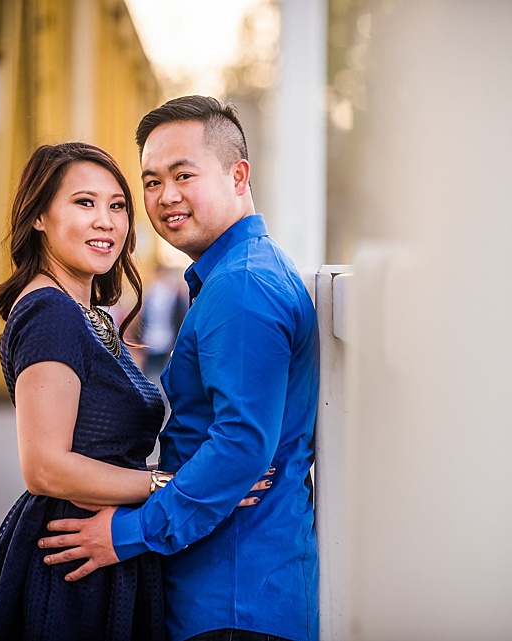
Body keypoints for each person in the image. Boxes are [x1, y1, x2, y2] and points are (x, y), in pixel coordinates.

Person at [0, 141, 267, 640]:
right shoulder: (49, 312)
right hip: (74, 554)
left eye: (117, 205)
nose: (106, 221)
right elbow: (44, 467)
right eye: (84, 203)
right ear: (38, 216)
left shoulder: (89, 313)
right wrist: (179, 486)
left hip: (103, 544)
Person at [40, 96, 321, 641]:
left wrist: (124, 535)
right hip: (237, 588)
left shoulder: (242, 286)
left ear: (238, 175)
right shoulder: (243, 272)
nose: (165, 196)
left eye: (183, 175)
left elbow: (241, 445)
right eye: (150, 181)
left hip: (236, 601)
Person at [139, 264, 188, 382]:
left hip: (161, 338)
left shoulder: (168, 293)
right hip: (154, 339)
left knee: (156, 372)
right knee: (155, 372)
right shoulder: (152, 293)